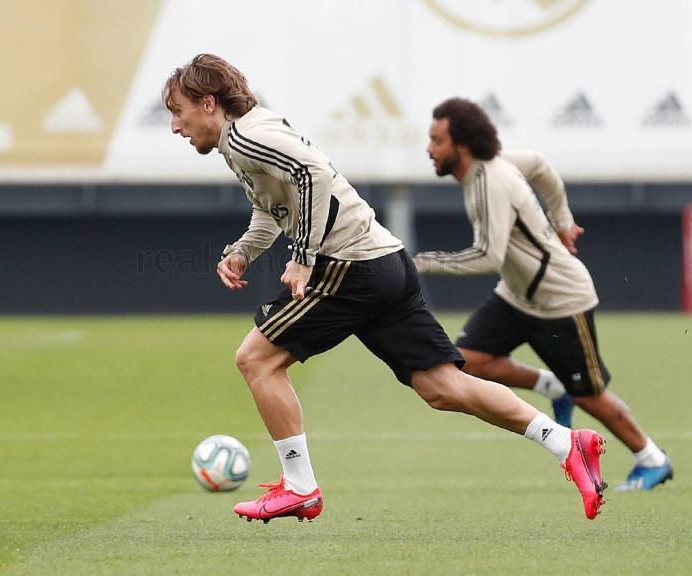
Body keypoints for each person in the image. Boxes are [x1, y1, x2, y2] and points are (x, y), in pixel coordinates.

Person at [163, 53, 607, 522]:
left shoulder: (247, 136)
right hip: (383, 261)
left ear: (209, 102)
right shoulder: (248, 137)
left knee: (256, 360)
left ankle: (300, 487)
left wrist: (303, 257)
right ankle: (565, 442)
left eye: (178, 111)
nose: (175, 126)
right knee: (443, 387)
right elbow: (276, 206)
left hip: (349, 266)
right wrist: (243, 251)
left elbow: (309, 175)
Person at [413, 97, 674, 492]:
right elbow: (538, 162)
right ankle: (551, 387)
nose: (429, 149)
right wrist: (562, 221)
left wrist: (420, 261)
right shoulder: (491, 167)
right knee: (467, 363)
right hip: (516, 295)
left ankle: (652, 459)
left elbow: (488, 256)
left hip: (560, 301)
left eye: (437, 140)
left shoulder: (489, 183)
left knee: (590, 395)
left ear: (462, 146)